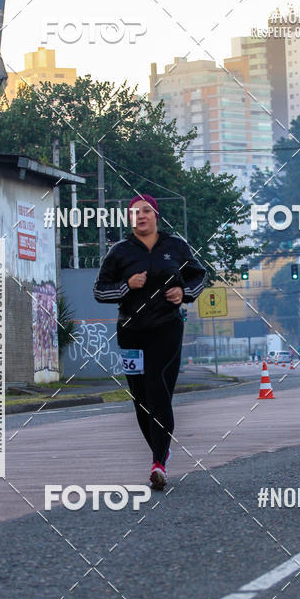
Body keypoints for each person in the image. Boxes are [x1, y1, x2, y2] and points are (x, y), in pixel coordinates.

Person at [93, 194, 206, 489]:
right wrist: (126, 286)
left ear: (156, 215)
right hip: (130, 330)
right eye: (134, 213)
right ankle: (161, 450)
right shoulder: (120, 252)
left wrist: (183, 293)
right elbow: (100, 291)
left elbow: (199, 277)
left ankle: (158, 463)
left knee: (157, 388)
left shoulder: (175, 246)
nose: (140, 216)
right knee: (141, 399)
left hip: (166, 327)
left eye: (146, 211)